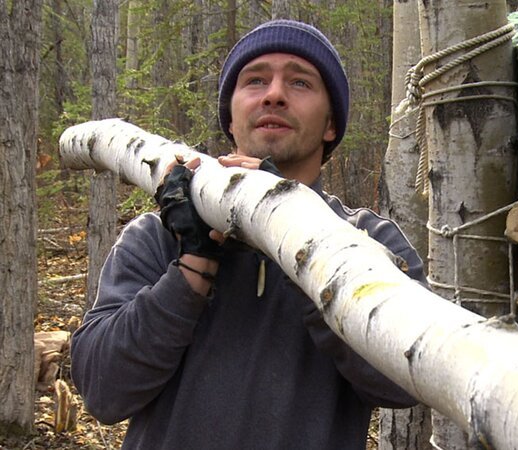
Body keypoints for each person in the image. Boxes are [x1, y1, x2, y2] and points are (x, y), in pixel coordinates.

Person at [71, 19, 424, 449]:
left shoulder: (370, 242)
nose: (274, 93)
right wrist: (192, 265)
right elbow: (103, 391)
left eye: (300, 82)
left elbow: (404, 387)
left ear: (331, 124)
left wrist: (299, 238)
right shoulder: (157, 235)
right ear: (231, 118)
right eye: (255, 80)